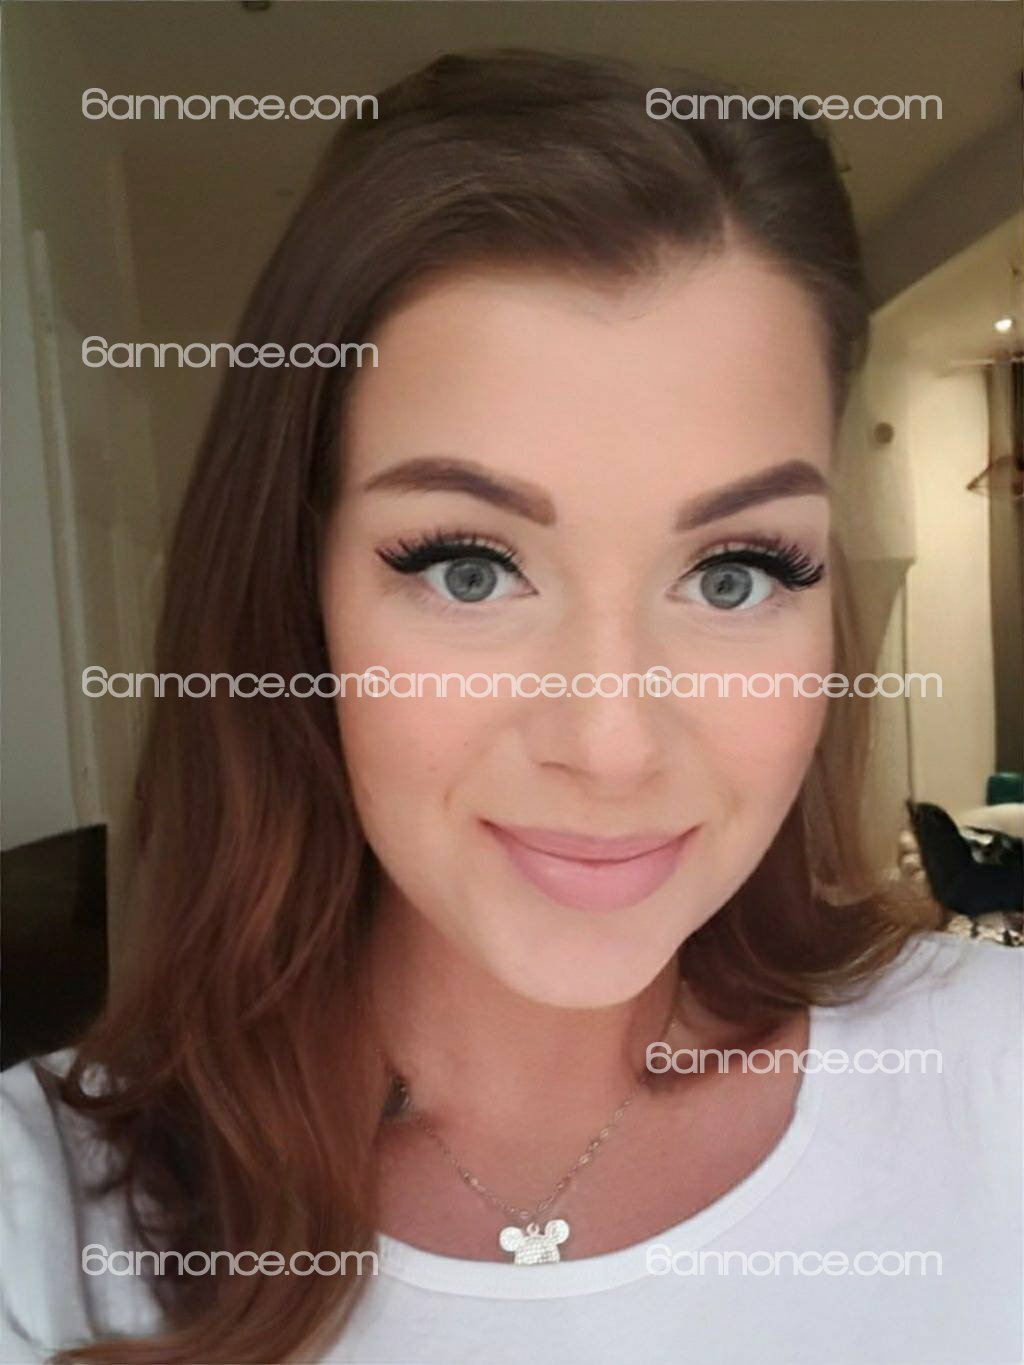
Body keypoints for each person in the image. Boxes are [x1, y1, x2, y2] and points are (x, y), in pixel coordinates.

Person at [2, 49, 1020, 1365]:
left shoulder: (993, 1070)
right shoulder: (42, 1226)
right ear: (299, 595)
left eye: (734, 573)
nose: (610, 744)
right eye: (469, 569)